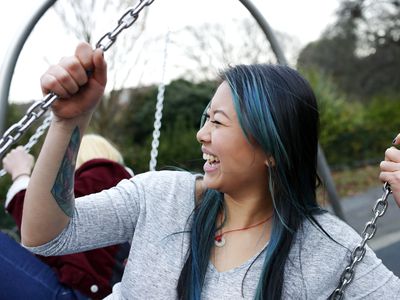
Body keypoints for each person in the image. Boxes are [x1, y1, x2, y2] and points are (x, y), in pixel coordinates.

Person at [20, 42, 400, 299]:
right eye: (206, 120)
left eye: (217, 122)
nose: (201, 135)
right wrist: (69, 122)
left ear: (271, 145)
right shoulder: (160, 196)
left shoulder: (327, 249)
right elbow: (46, 235)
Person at [0, 134, 133, 299]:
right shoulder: (124, 191)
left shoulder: (102, 175)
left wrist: (20, 173)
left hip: (77, 293)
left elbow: (41, 226)